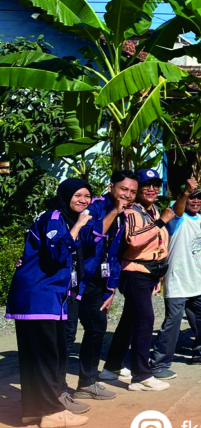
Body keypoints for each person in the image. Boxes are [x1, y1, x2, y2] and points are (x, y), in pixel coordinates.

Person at [7, 178, 94, 428]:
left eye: (87, 196)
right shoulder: (55, 217)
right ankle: (51, 411)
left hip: (47, 298)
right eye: (78, 195)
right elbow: (56, 255)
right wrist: (78, 226)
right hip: (38, 298)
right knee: (46, 356)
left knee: (40, 356)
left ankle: (34, 410)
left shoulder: (61, 219)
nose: (83, 200)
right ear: (65, 196)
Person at [68, 170, 136, 401]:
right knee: (66, 337)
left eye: (132, 192)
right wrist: (114, 212)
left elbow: (115, 254)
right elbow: (88, 237)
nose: (127, 195)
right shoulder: (95, 207)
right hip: (76, 282)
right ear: (111, 188)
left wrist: (111, 287)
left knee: (97, 329)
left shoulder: (124, 215)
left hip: (98, 283)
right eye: (123, 189)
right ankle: (50, 391)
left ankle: (87, 383)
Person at [102, 169, 172, 391]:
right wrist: (161, 222)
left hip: (148, 272)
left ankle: (111, 367)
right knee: (144, 320)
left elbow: (159, 244)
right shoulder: (133, 212)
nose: (152, 189)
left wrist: (158, 273)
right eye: (146, 185)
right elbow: (134, 240)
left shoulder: (152, 211)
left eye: (156, 184)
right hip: (134, 272)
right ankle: (141, 376)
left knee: (130, 320)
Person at [151, 179, 201, 379]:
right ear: (184, 198)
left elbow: (200, 244)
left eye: (199, 197)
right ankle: (159, 363)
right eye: (192, 197)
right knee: (172, 324)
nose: (196, 201)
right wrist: (186, 192)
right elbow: (178, 210)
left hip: (198, 281)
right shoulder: (176, 217)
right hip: (177, 280)